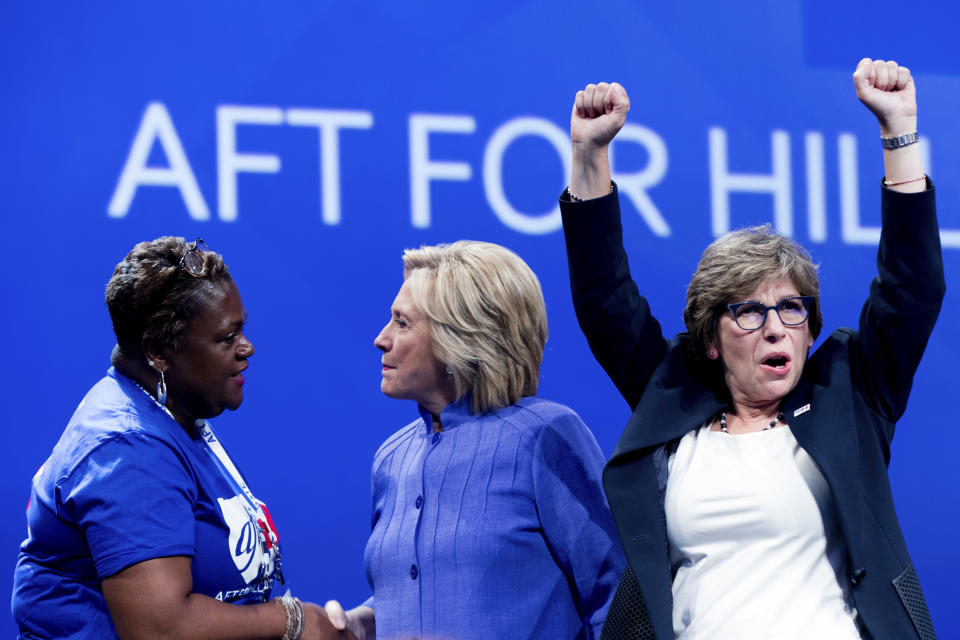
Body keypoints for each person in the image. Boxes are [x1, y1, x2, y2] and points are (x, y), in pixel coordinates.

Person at [559, 59, 943, 639]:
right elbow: (604, 301)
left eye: (792, 310)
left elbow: (912, 289)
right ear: (710, 339)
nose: (775, 328)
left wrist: (900, 133)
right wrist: (590, 155)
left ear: (810, 329)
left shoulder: (849, 396)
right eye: (748, 312)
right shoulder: (674, 401)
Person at [12, 237, 352, 640]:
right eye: (227, 338)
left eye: (242, 329)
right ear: (158, 352)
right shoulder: (127, 447)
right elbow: (160, 628)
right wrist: (291, 621)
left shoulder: (172, 417)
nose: (247, 348)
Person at [324, 240, 625, 639]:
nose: (382, 338)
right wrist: (364, 622)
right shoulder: (390, 459)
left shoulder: (542, 436)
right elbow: (428, 590)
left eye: (402, 322)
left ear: (459, 340)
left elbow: (617, 596)